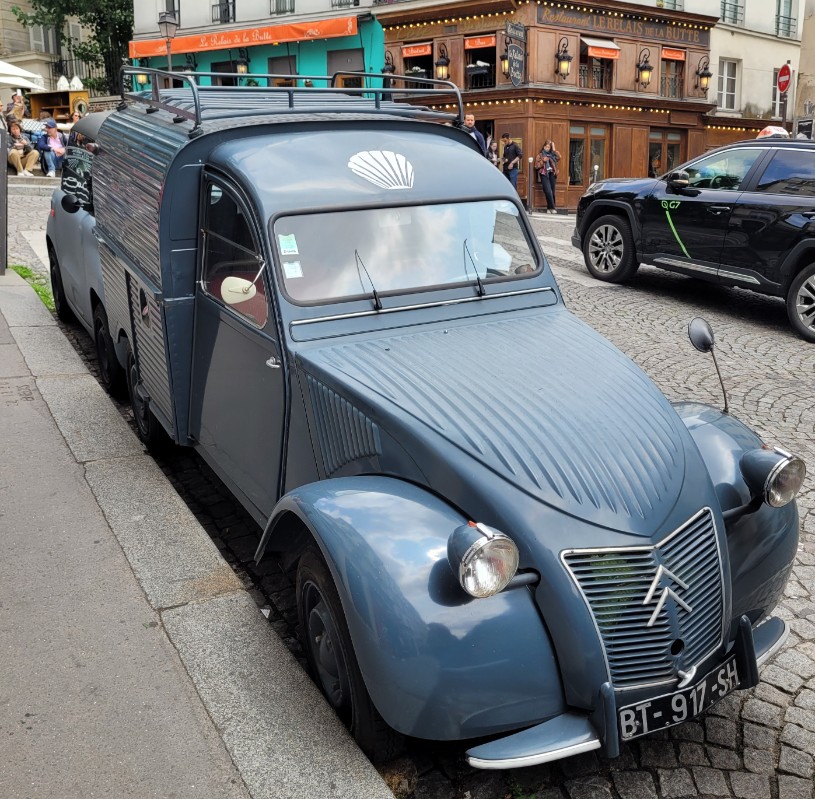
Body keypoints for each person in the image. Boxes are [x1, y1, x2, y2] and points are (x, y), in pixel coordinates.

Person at [537, 140, 560, 214]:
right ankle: (552, 207)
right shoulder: (540, 155)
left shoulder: (552, 155)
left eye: (549, 147)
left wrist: (554, 149)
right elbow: (536, 166)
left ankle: (549, 208)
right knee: (548, 190)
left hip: (552, 173)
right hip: (544, 173)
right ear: (544, 147)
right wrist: (543, 161)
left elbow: (559, 157)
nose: (547, 148)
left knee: (552, 191)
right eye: (546, 147)